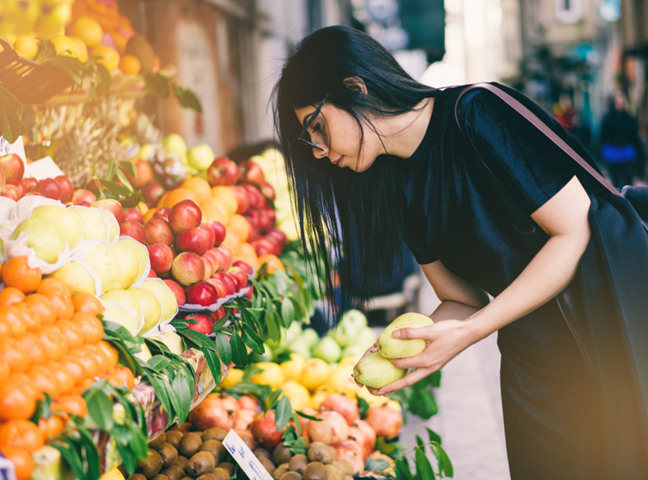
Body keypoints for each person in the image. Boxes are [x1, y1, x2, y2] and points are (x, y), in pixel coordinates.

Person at [272, 26, 647, 479]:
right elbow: (463, 300)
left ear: (355, 89)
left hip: (611, 335)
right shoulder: (399, 189)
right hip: (535, 367)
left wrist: (472, 332)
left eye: (317, 126)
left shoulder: (476, 113)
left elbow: (573, 232)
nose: (316, 151)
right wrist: (418, 347)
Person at [599, 90, 645, 187]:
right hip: (612, 155)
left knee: (628, 182)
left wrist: (640, 155)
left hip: (627, 154)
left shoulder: (629, 119)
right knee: (615, 183)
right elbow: (603, 138)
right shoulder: (607, 119)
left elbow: (634, 137)